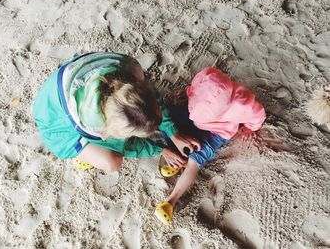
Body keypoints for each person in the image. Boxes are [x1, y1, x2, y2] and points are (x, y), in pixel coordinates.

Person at [33, 52, 199, 172]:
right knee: (113, 162)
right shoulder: (95, 125)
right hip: (55, 123)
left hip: (62, 86)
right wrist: (160, 149)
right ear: (111, 129)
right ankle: (82, 155)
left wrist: (173, 134)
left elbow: (150, 97)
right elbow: (126, 146)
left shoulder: (129, 75)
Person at [154, 67, 266, 225]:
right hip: (194, 112)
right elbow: (196, 83)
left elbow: (258, 114)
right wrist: (188, 93)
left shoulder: (242, 103)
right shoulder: (208, 77)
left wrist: (250, 127)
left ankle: (171, 201)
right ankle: (178, 155)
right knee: (168, 118)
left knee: (195, 162)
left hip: (216, 132)